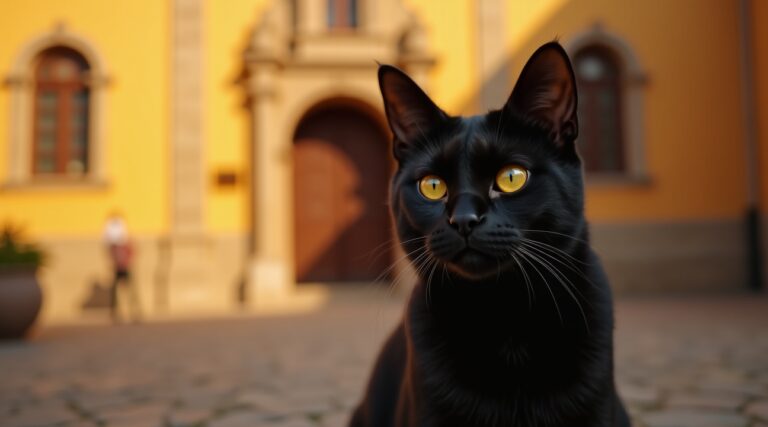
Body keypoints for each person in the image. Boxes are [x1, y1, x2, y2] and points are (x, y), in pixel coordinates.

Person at [103, 213, 141, 322]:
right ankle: (116, 312)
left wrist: (126, 262)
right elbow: (111, 252)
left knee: (131, 290)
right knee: (115, 292)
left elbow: (132, 252)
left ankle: (134, 311)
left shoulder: (125, 240)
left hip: (125, 266)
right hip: (118, 267)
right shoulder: (113, 242)